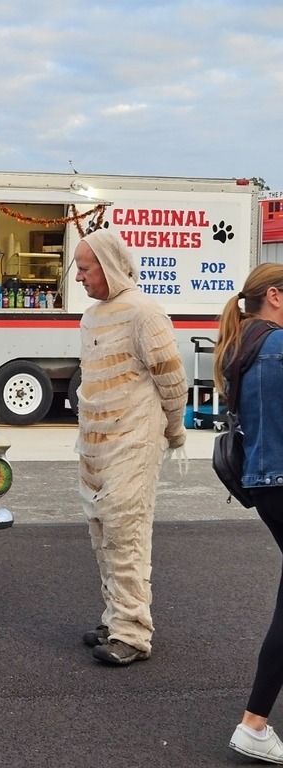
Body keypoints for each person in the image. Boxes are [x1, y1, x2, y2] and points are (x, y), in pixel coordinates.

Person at [74, 229, 187, 666]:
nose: (79, 276)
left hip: (133, 442)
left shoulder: (144, 312)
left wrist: (174, 432)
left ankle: (133, 634)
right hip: (94, 446)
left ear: (110, 265)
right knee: (103, 534)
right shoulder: (92, 317)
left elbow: (172, 381)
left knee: (127, 534)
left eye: (85, 268)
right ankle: (116, 617)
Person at [213, 264, 283, 763]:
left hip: (265, 483)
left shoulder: (244, 346)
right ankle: (254, 722)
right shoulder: (277, 346)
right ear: (275, 296)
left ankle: (255, 721)